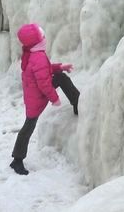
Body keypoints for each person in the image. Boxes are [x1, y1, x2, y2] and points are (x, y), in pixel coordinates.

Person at [10, 23, 80, 176]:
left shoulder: (33, 54)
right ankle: (17, 160)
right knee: (28, 127)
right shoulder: (38, 57)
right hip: (37, 98)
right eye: (42, 36)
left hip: (34, 95)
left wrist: (60, 67)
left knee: (61, 77)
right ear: (36, 41)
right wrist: (54, 98)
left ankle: (76, 102)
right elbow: (44, 83)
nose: (45, 37)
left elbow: (44, 70)